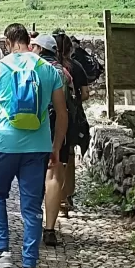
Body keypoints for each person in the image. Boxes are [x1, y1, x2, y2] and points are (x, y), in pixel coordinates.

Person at [0, 23, 68, 268]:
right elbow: (62, 114)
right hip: (38, 146)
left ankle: (2, 253)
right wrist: (56, 146)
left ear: (7, 42)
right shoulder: (48, 70)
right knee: (31, 208)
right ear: (29, 41)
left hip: (5, 143)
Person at [32, 34, 76, 246]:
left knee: (32, 176)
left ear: (39, 49)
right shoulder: (64, 73)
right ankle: (50, 229)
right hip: (58, 126)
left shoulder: (31, 69)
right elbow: (70, 106)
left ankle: (32, 224)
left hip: (33, 127)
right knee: (54, 177)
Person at [56, 32, 91, 215]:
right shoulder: (75, 67)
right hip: (71, 116)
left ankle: (53, 195)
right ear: (70, 48)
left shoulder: (48, 67)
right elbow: (85, 94)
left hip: (49, 116)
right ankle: (67, 196)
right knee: (68, 156)